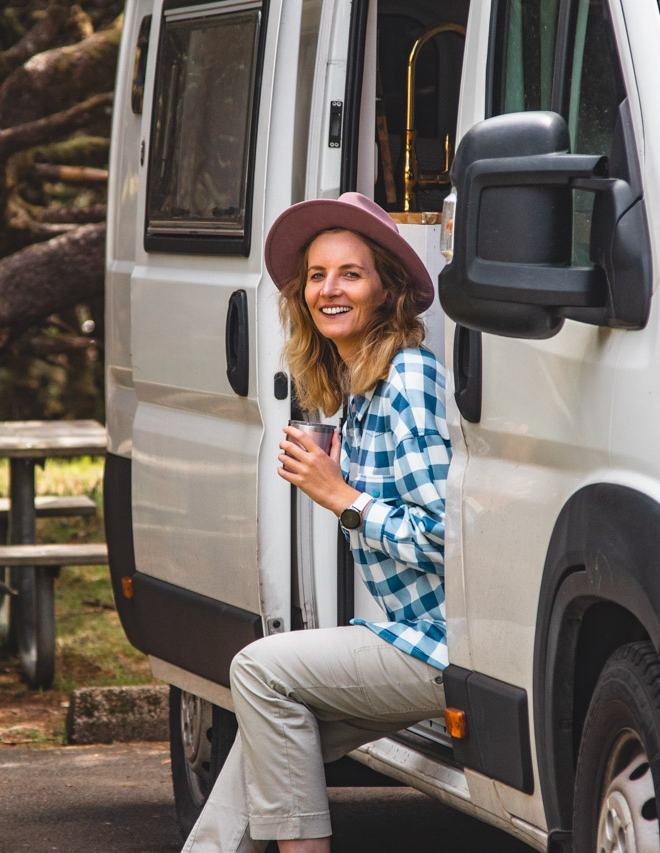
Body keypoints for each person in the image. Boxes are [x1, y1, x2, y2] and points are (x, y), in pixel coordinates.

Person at [181, 192, 451, 853]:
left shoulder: (406, 379)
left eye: (351, 274)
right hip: (408, 636)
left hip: (441, 644)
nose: (329, 289)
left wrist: (343, 498)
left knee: (260, 671)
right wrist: (341, 487)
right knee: (269, 740)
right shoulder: (361, 385)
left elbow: (448, 536)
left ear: (387, 289)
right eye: (316, 275)